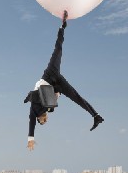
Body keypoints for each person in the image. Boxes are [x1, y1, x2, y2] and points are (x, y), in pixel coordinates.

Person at [24, 10, 104, 151]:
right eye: (45, 121)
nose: (45, 120)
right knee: (76, 97)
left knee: (58, 49)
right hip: (58, 84)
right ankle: (96, 115)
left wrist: (31, 138)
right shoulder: (51, 109)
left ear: (39, 119)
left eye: (43, 122)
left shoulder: (34, 112)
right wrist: (58, 95)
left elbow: (31, 122)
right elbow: (56, 96)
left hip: (49, 75)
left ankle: (62, 26)